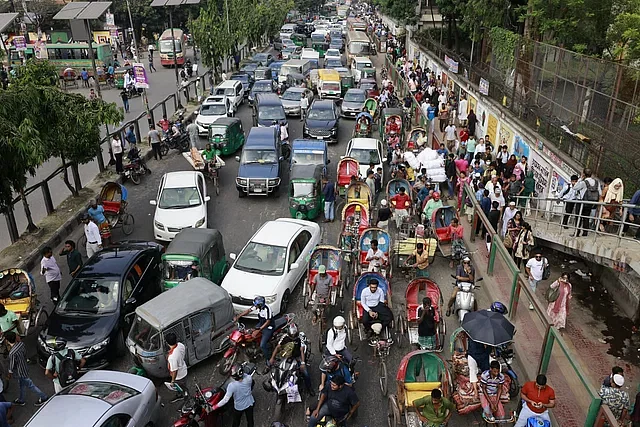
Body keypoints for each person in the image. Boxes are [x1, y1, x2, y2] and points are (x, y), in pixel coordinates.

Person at [268, 323, 313, 394]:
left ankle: (309, 388)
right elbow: (278, 347)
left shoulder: (300, 337)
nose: (293, 336)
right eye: (291, 335)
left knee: (305, 373)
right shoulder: (284, 337)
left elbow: (302, 350)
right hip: (286, 356)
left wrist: (303, 363)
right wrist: (272, 358)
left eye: (294, 335)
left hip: (298, 356)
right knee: (278, 370)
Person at [6, 331, 48, 406]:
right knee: (22, 385)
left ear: (7, 340)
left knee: (30, 385)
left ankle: (43, 397)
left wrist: (9, 374)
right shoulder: (21, 344)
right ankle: (21, 400)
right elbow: (25, 354)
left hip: (20, 372)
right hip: (24, 368)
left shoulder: (12, 353)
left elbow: (11, 366)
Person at [236, 296, 275, 368]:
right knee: (249, 333)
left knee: (262, 345)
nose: (255, 306)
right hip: (261, 323)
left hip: (268, 327)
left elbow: (268, 322)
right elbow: (248, 311)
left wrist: (258, 329)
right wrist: (238, 316)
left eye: (256, 305)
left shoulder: (267, 309)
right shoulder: (258, 307)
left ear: (260, 305)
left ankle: (268, 359)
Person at [573, 168, 601, 237]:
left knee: (578, 217)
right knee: (586, 217)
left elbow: (575, 187)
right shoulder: (597, 182)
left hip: (582, 201)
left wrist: (580, 179)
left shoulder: (584, 182)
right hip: (591, 202)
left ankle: (577, 232)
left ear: (584, 174)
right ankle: (585, 232)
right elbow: (600, 192)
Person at [166, 332, 189, 402]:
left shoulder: (172, 357)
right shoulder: (180, 345)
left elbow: (174, 370)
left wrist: (172, 381)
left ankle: (186, 399)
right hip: (183, 370)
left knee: (182, 388)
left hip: (179, 376)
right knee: (183, 385)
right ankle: (183, 395)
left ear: (167, 343)